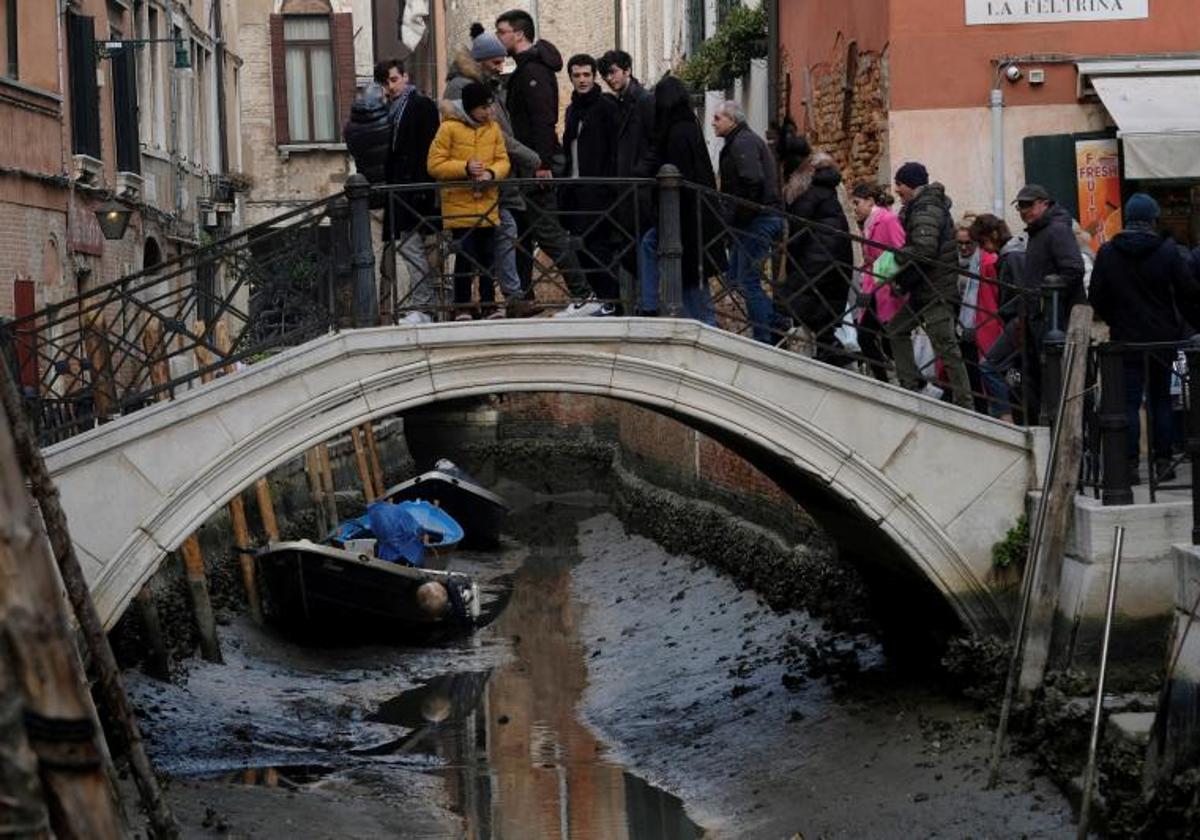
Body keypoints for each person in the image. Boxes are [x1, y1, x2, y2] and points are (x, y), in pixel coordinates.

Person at [1089, 193, 1200, 484]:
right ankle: (1163, 462)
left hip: (1126, 338)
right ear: (1153, 219)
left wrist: (1116, 319)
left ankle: (1129, 466)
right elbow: (1188, 292)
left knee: (1127, 402)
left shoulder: (1109, 252)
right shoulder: (1167, 251)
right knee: (1160, 400)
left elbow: (1096, 296)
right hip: (1161, 339)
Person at [494, 9, 591, 311]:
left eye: (502, 32)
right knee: (522, 232)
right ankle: (522, 298)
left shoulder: (533, 71)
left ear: (519, 34)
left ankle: (583, 293)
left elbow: (543, 121)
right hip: (527, 165)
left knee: (547, 232)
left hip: (536, 166)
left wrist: (543, 165)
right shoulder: (525, 69)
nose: (499, 38)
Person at [443, 24, 543, 317]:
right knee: (472, 247)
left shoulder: (486, 86)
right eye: (496, 62)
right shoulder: (463, 91)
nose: (501, 66)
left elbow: (498, 144)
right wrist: (533, 158)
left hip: (493, 183)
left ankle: (498, 301)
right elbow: (442, 157)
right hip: (470, 189)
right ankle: (480, 303)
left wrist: (499, 169)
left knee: (495, 239)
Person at [885, 161, 973, 409]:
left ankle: (965, 405)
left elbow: (924, 247)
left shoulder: (926, 207)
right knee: (896, 329)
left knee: (946, 346)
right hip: (925, 288)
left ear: (911, 184)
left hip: (936, 290)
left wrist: (894, 258)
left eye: (899, 184)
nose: (896, 190)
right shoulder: (921, 207)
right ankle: (913, 385)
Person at [637, 76, 724, 323]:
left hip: (685, 217)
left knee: (689, 278)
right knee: (689, 276)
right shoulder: (688, 125)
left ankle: (653, 306)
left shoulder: (677, 132)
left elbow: (679, 175)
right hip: (690, 216)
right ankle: (658, 307)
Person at [427, 82, 510, 320]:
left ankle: (489, 305)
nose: (490, 112)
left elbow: (503, 160)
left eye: (490, 106)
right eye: (485, 107)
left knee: (487, 257)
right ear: (472, 108)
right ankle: (462, 306)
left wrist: (492, 174)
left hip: (487, 202)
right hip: (459, 205)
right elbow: (434, 164)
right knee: (465, 255)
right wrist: (464, 168)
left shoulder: (493, 129)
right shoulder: (448, 128)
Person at [368, 59, 440, 325]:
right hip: (402, 192)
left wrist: (424, 188)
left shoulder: (420, 105)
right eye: (386, 83)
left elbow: (428, 148)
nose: (391, 87)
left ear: (405, 77)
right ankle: (424, 305)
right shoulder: (390, 110)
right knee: (411, 249)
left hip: (417, 191)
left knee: (416, 249)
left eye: (394, 80)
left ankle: (424, 306)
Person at [1012, 183, 1086, 419]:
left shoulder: (1055, 230)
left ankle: (1054, 424)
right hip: (1042, 316)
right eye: (1020, 206)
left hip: (1054, 318)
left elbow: (1074, 269)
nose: (1024, 211)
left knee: (1054, 377)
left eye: (1029, 205)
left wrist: (1048, 295)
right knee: (1042, 377)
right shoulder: (1040, 230)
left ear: (1045, 203)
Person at [555, 53, 621, 317]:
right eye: (576, 75)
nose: (581, 80)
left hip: (599, 189)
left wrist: (609, 185)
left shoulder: (606, 106)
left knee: (598, 246)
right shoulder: (572, 109)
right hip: (574, 188)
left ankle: (611, 300)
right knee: (579, 244)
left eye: (586, 75)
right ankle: (597, 298)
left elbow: (615, 148)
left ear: (594, 77)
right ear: (570, 77)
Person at [713, 101, 782, 343]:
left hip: (758, 219)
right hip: (753, 219)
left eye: (718, 118)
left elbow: (752, 182)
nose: (713, 122)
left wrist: (735, 218)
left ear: (732, 120)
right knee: (736, 279)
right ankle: (774, 323)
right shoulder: (740, 141)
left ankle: (766, 337)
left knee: (748, 281)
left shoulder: (742, 142)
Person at [777, 149, 853, 365]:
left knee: (798, 300)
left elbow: (798, 230)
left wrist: (789, 258)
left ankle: (823, 348)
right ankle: (828, 348)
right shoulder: (830, 192)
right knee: (822, 304)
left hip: (816, 258)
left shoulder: (810, 194)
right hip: (835, 257)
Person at [598, 49, 655, 277]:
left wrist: (639, 172)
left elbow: (655, 143)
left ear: (627, 70)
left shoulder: (643, 100)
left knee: (642, 247)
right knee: (630, 250)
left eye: (613, 72)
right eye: (606, 75)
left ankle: (648, 303)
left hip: (639, 189)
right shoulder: (620, 103)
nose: (610, 79)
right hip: (627, 189)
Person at [969, 214, 1028, 422]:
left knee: (989, 366)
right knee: (1010, 371)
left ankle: (1006, 416)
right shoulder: (1014, 254)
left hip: (1018, 323)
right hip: (1018, 322)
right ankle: (1011, 414)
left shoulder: (1011, 258)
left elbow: (1020, 295)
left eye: (983, 242)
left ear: (994, 234)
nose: (983, 248)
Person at [850, 182, 906, 382]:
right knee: (870, 336)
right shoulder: (868, 223)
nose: (854, 208)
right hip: (874, 286)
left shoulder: (887, 220)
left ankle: (894, 380)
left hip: (887, 287)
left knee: (878, 337)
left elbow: (901, 249)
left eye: (857, 203)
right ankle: (887, 379)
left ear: (870, 201)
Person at [955, 215, 1003, 414]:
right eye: (960, 243)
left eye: (969, 243)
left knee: (983, 371)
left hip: (983, 322)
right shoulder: (958, 263)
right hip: (964, 322)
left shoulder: (986, 262)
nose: (964, 248)